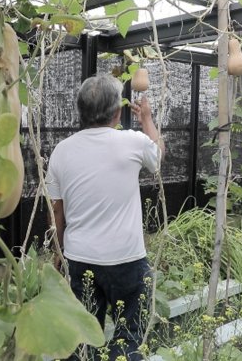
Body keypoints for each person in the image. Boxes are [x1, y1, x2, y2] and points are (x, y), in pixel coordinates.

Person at [45, 74, 165, 360]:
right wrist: (147, 119)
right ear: (117, 112)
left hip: (80, 257)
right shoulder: (132, 142)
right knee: (129, 339)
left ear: (80, 111)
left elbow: (56, 212)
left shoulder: (61, 152)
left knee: (81, 340)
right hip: (126, 259)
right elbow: (158, 158)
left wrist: (58, 253)